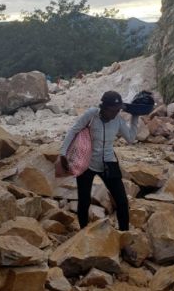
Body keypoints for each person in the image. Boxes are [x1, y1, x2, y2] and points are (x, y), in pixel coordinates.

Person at [59, 91, 139, 231]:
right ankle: (84, 232)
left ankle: (124, 234)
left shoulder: (118, 120)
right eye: (113, 110)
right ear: (104, 107)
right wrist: (63, 153)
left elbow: (131, 139)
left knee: (122, 202)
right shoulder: (92, 114)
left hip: (109, 163)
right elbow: (74, 130)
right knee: (84, 201)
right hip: (87, 163)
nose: (116, 113)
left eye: (118, 110)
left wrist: (135, 117)